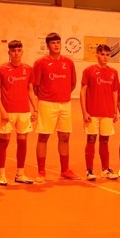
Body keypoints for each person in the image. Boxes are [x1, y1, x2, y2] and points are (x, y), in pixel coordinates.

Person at [31, 32, 78, 182]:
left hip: (65, 104)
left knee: (65, 136)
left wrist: (62, 95)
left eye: (58, 42)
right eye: (53, 43)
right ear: (48, 45)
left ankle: (65, 170)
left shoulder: (68, 62)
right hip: (46, 103)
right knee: (43, 137)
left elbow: (72, 84)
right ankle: (41, 171)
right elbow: (35, 86)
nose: (56, 45)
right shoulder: (40, 63)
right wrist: (47, 96)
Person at [0, 40, 37, 186]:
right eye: (13, 51)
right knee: (4, 142)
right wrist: (2, 110)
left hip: (24, 112)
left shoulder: (28, 69)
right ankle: (1, 174)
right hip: (8, 112)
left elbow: (30, 90)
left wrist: (35, 109)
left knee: (22, 143)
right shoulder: (1, 69)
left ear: (22, 52)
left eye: (19, 50)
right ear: (9, 53)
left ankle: (20, 174)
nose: (16, 53)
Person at [80, 44, 119, 180]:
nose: (105, 57)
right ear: (96, 55)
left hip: (107, 112)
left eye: (107, 55)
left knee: (105, 141)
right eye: (102, 54)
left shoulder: (114, 72)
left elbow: (115, 92)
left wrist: (115, 111)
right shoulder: (88, 71)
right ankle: (89, 170)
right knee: (91, 139)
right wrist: (84, 112)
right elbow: (83, 92)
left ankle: (105, 169)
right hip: (92, 112)